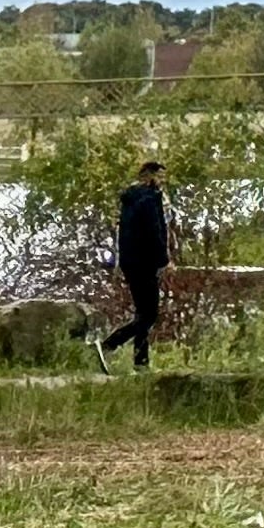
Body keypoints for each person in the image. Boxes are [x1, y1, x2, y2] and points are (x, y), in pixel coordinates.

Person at [107, 157, 172, 370]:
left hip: (129, 261)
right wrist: (164, 261)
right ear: (149, 177)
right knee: (150, 313)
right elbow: (155, 232)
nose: (162, 182)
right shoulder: (150, 199)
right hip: (146, 263)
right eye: (160, 177)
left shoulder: (130, 200)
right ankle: (109, 344)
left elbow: (123, 233)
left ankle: (141, 362)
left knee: (142, 312)